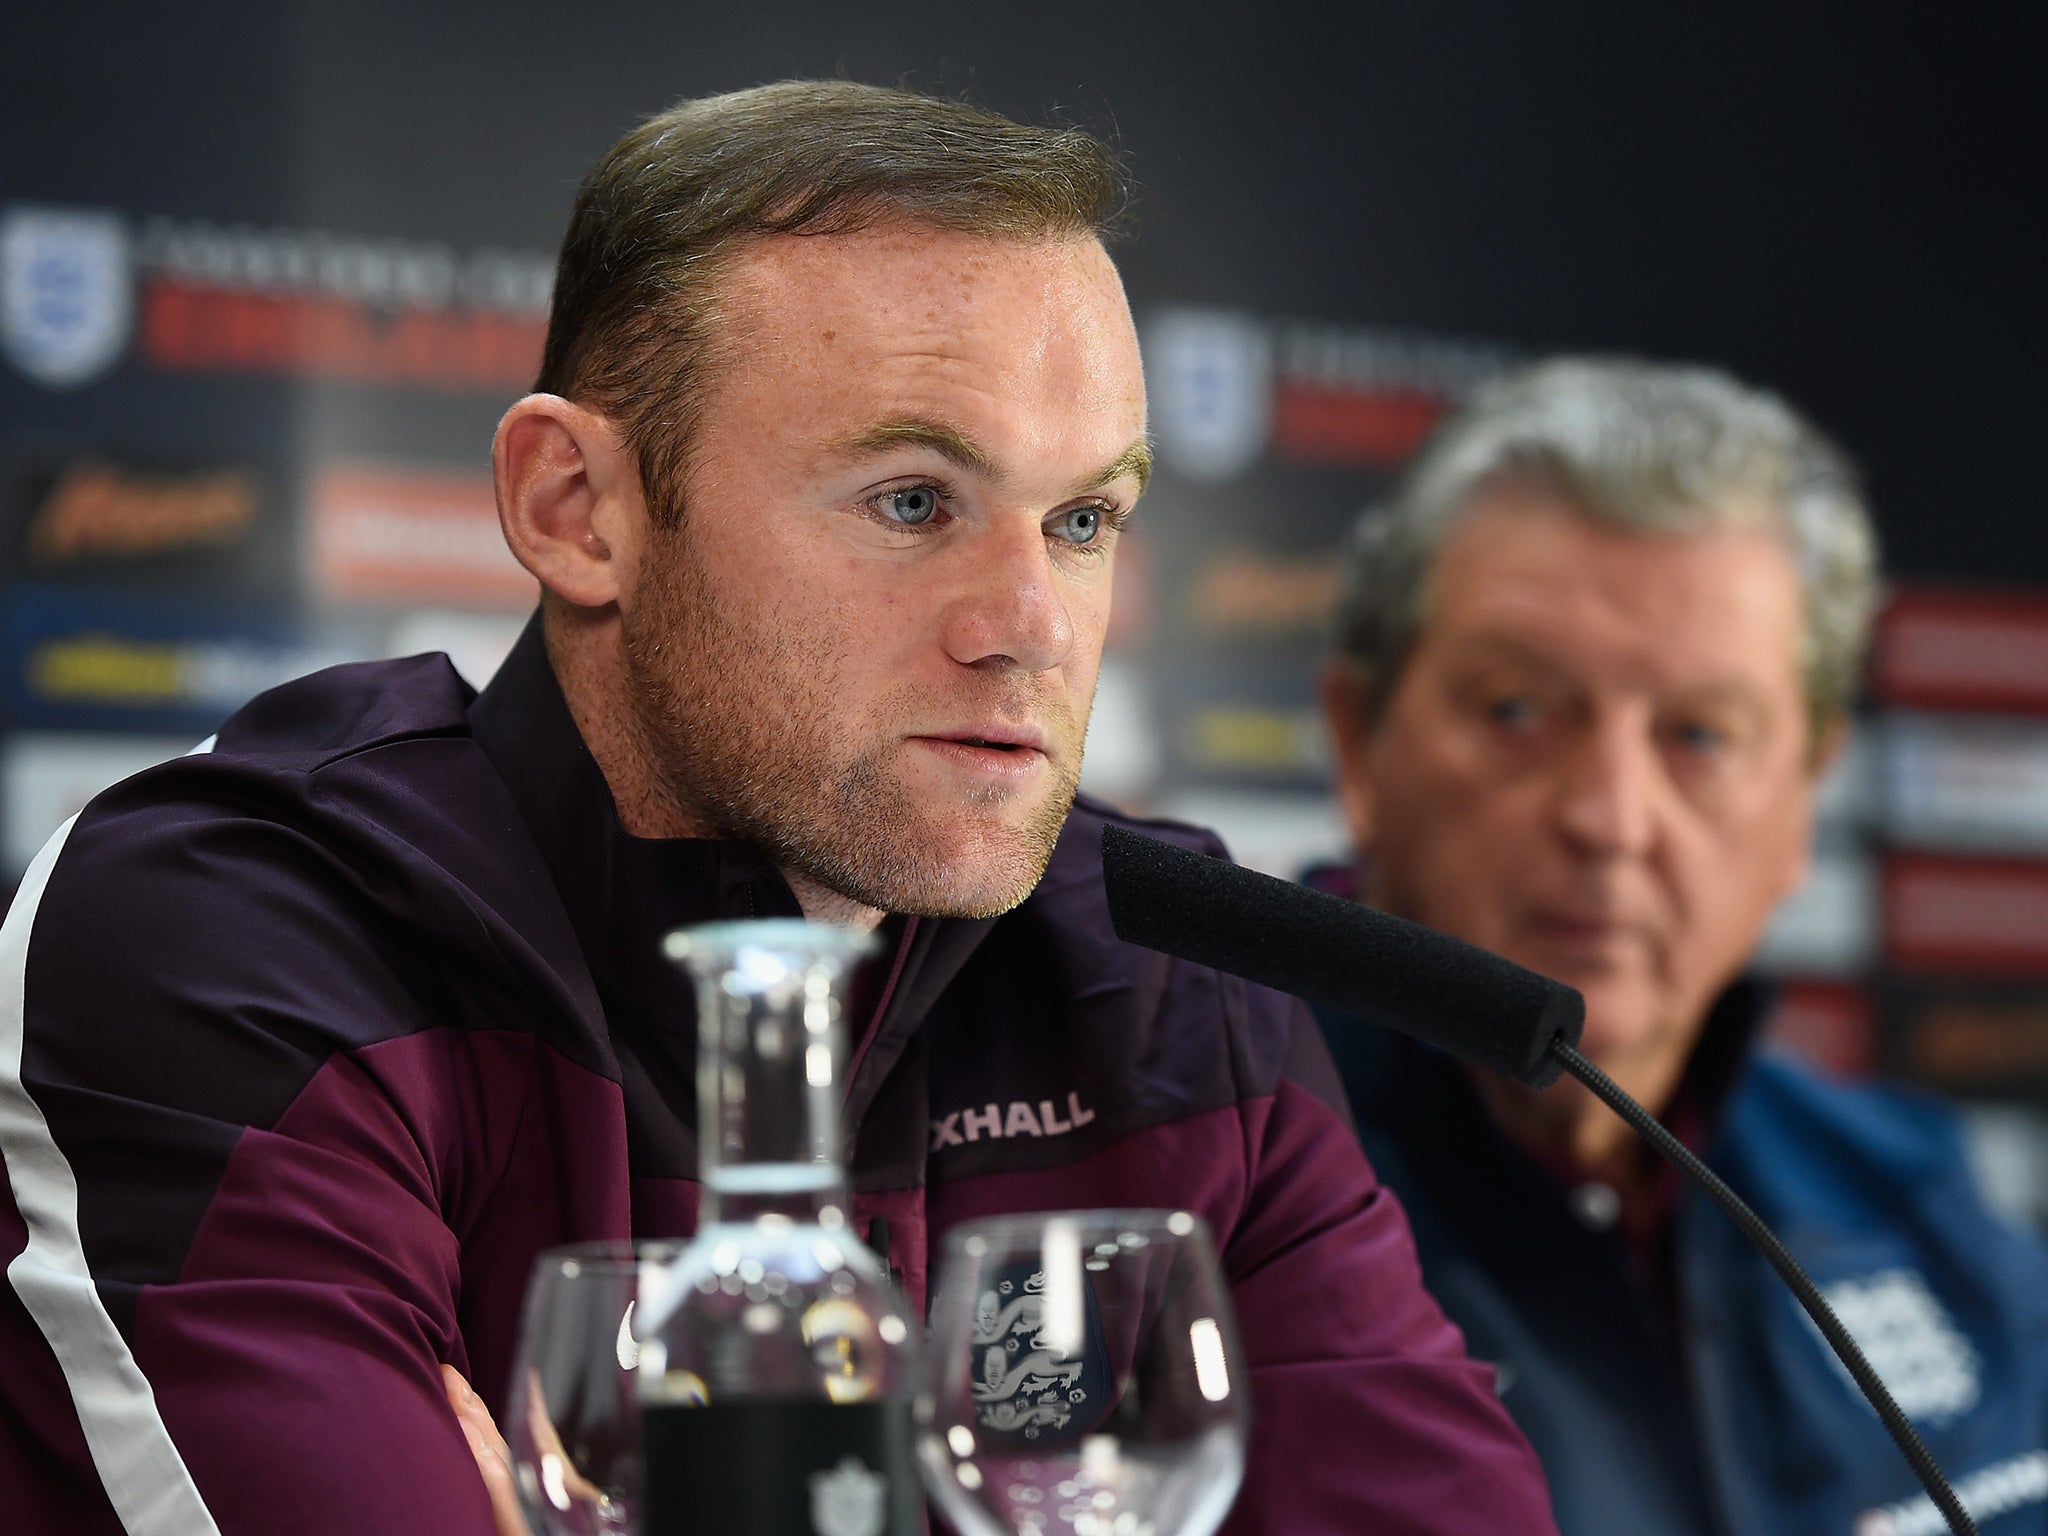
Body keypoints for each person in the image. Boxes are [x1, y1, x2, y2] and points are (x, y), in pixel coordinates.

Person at [0, 82, 1557, 1534]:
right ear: (576, 510)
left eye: (1083, 518)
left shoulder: (1169, 979)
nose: (1033, 620)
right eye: (911, 501)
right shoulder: (229, 934)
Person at [1315, 355, 2048, 1536]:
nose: (1610, 817)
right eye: (1516, 711)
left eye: (1698, 735)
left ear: (1801, 798)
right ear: (1358, 745)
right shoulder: (1195, 1197)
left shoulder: (1918, 1201)